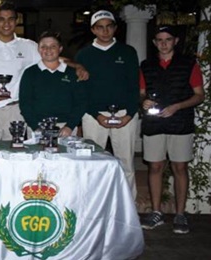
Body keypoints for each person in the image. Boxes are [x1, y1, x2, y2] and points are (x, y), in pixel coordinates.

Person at [0, 1, 87, 141]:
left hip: (17, 109)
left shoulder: (29, 46)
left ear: (16, 21)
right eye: (1, 19)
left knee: (14, 153)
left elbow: (52, 56)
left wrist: (77, 66)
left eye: (11, 19)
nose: (6, 23)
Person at [140, 26, 204, 234]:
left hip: (180, 123)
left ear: (176, 41)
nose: (164, 43)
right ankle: (156, 212)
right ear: (154, 42)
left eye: (168, 39)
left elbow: (199, 95)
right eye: (159, 40)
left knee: (179, 169)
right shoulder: (146, 65)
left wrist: (177, 106)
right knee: (155, 168)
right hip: (154, 124)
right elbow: (141, 93)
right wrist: (144, 101)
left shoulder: (188, 64)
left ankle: (180, 214)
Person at [75, 10, 140, 199]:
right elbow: (82, 91)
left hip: (124, 115)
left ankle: (128, 207)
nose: (105, 31)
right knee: (93, 163)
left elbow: (134, 86)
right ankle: (93, 204)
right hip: (93, 116)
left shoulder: (127, 52)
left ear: (115, 28)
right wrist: (97, 114)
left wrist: (129, 114)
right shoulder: (84, 55)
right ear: (93, 30)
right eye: (100, 27)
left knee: (126, 162)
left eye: (109, 26)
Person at [19, 31, 86, 136]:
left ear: (60, 49)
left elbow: (80, 103)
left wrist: (70, 126)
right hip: (37, 127)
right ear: (38, 49)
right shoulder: (30, 73)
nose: (48, 50)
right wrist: (36, 128)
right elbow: (25, 103)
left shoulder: (72, 73)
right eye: (43, 46)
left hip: (66, 128)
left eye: (53, 46)